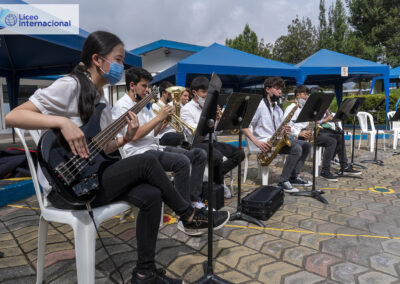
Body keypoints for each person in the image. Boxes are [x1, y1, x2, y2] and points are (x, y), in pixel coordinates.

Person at [5, 31, 229, 284]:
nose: (122, 67)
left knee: (151, 195)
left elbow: (104, 148)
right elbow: (13, 117)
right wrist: (61, 122)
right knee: (147, 160)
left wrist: (126, 137)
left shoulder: (101, 100)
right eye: (119, 60)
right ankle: (188, 215)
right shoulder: (71, 85)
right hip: (65, 186)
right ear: (98, 59)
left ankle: (144, 274)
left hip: (90, 177)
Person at [112, 67, 212, 225]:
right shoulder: (122, 106)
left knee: (199, 154)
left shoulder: (142, 105)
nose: (148, 90)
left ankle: (194, 199)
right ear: (132, 85)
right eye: (144, 86)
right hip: (139, 154)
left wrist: (165, 119)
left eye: (148, 86)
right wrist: (159, 117)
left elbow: (153, 132)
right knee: (182, 162)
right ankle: (184, 213)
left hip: (153, 147)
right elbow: (134, 136)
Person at [243, 77, 312, 192]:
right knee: (296, 148)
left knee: (307, 145)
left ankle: (294, 176)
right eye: (277, 89)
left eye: (281, 89)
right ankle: (283, 181)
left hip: (276, 140)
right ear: (268, 90)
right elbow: (244, 126)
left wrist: (286, 129)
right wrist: (256, 141)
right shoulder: (259, 106)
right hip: (264, 142)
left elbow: (281, 127)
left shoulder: (278, 109)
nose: (280, 92)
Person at [180, 76, 244, 199]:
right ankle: (220, 182)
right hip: (196, 143)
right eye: (203, 92)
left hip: (211, 141)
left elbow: (216, 134)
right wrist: (209, 118)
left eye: (207, 92)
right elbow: (195, 132)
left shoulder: (208, 106)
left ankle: (216, 176)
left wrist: (218, 120)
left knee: (239, 153)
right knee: (217, 157)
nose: (206, 95)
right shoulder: (186, 110)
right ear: (194, 92)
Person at [286, 86, 361, 182]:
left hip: (310, 132)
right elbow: (286, 125)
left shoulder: (306, 107)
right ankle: (325, 171)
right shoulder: (291, 108)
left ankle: (344, 165)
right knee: (331, 141)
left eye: (307, 94)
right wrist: (299, 133)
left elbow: (311, 122)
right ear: (298, 95)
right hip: (300, 136)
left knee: (339, 136)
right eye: (305, 94)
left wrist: (315, 122)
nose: (307, 97)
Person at [152, 81, 186, 147]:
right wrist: (167, 117)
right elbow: (156, 130)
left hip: (173, 133)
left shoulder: (170, 105)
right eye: (170, 93)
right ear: (163, 93)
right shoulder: (155, 106)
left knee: (187, 135)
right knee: (182, 138)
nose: (172, 95)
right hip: (162, 135)